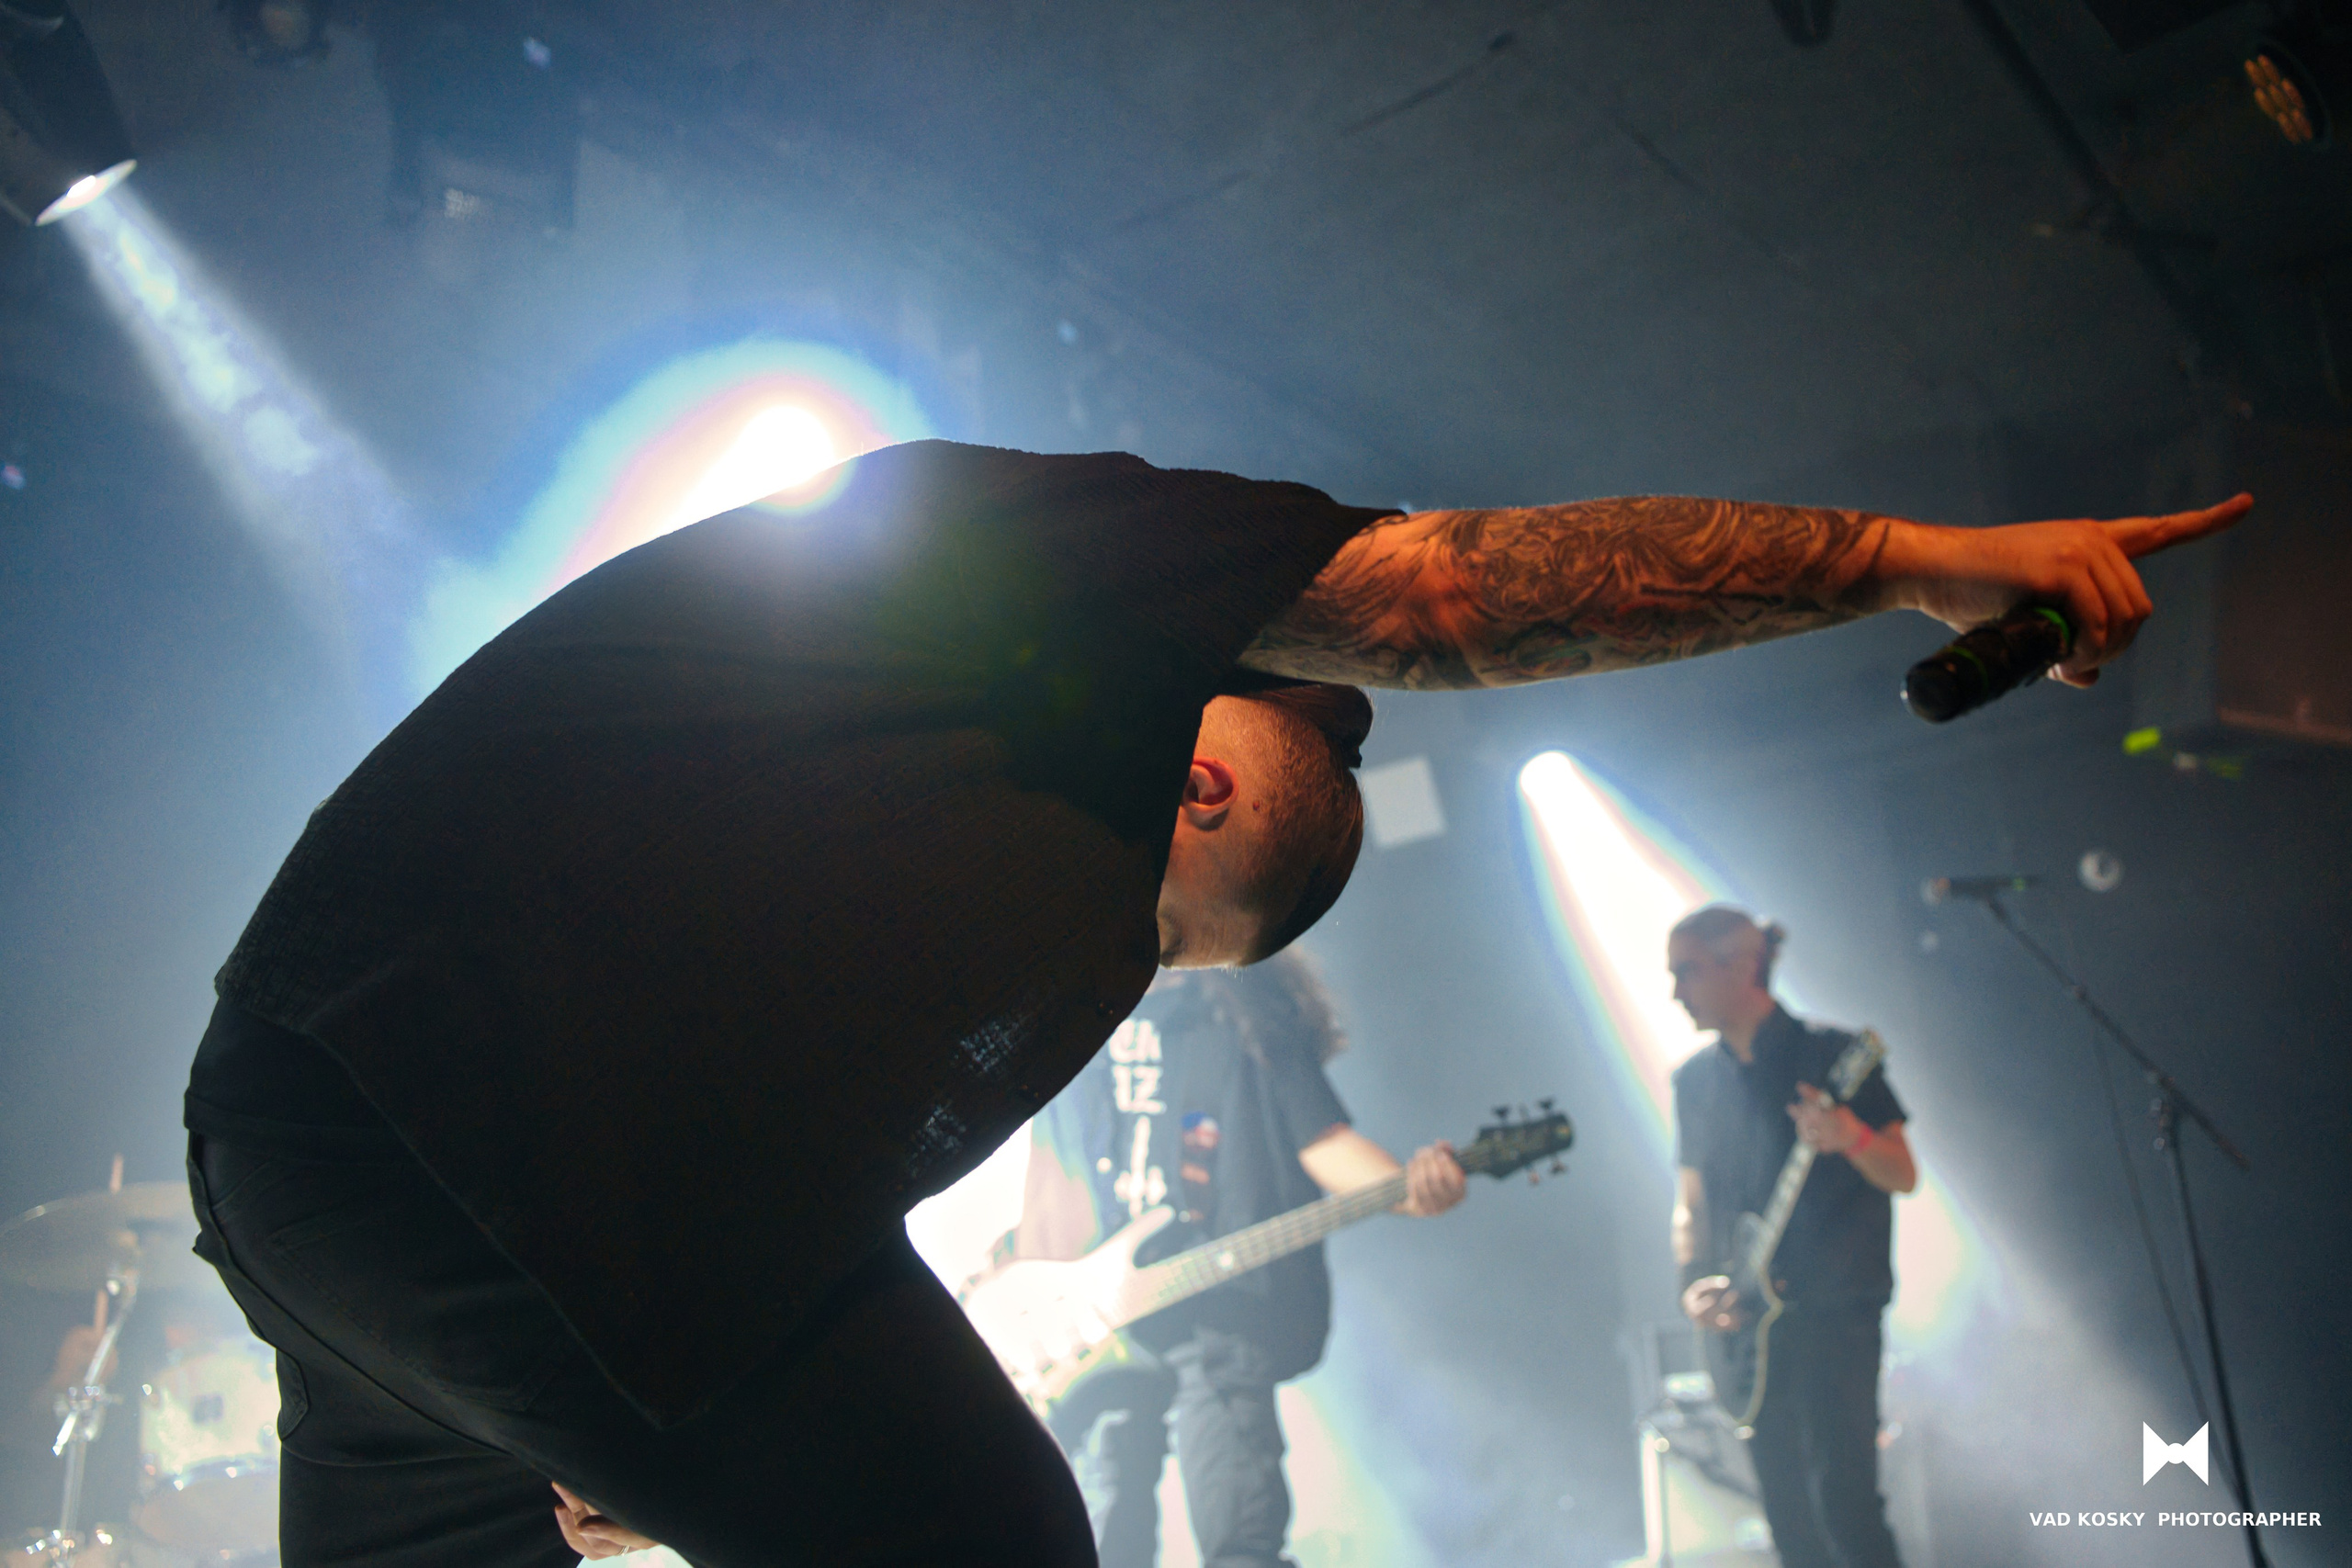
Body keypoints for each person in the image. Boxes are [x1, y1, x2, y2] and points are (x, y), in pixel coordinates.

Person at [176, 437, 2243, 1567]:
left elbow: (766, 1104)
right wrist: (1904, 554)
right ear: (1200, 775)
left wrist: (654, 1380)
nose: (1140, 967)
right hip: (481, 1126)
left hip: (293, 1128)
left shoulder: (885, 852)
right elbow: (1452, 597)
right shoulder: (1023, 575)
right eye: (1183, 923)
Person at [997, 957, 1462, 1567]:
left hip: (1219, 1318)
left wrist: (1407, 1188)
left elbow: (1322, 1140)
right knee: (1101, 1534)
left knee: (1240, 1533)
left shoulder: (1245, 1014)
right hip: (1097, 1326)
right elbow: (1042, 1169)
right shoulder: (1074, 1020)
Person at [1668, 907, 1916, 1568]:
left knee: (1847, 1504)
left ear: (1741, 964)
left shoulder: (1834, 1055)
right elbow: (1689, 1203)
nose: (1674, 991)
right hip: (1750, 1325)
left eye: (1686, 971)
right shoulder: (1693, 1081)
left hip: (1837, 1310)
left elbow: (1902, 1171)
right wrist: (1695, 1285)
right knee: (1789, 1520)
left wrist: (1852, 1137)